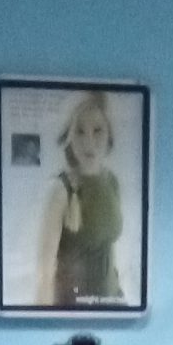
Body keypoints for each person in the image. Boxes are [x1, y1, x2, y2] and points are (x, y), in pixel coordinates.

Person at [37, 92, 124, 307]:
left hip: (112, 305)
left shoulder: (112, 182)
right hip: (72, 309)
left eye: (97, 131)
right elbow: (44, 272)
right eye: (80, 131)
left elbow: (108, 249)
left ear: (109, 134)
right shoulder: (60, 189)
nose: (89, 142)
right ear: (70, 136)